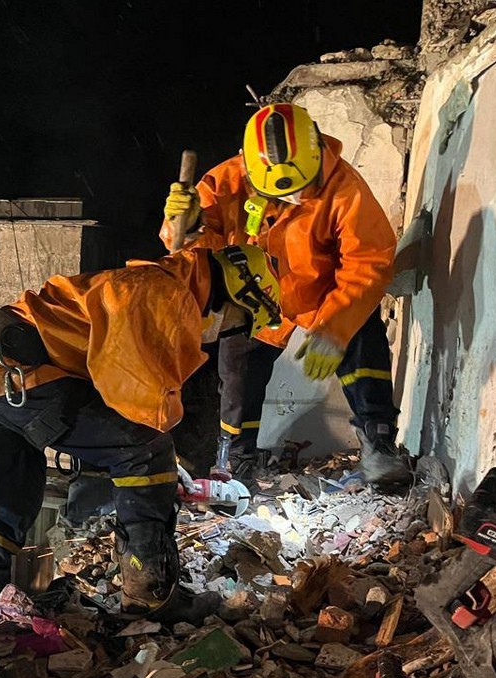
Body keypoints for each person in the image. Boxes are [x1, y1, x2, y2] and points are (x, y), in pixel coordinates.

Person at [0, 244, 285, 628]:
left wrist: (169, 467)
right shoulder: (165, 295)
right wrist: (164, 468)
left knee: (13, 500)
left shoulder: (158, 286)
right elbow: (134, 396)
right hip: (25, 375)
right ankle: (150, 599)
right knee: (145, 453)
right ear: (238, 292)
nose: (231, 331)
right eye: (239, 320)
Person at [161, 102, 408, 486]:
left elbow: (369, 261)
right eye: (281, 194)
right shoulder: (224, 182)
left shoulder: (344, 188)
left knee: (363, 338)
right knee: (238, 375)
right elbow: (190, 257)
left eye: (301, 191)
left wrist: (337, 327)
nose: (292, 200)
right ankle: (236, 461)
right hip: (253, 298)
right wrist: (186, 226)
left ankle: (378, 444)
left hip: (321, 293)